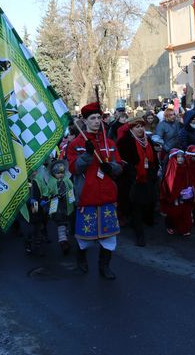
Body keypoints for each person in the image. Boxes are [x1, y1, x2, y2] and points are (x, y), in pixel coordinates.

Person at [67, 102, 123, 280]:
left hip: (107, 196)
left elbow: (119, 167)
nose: (97, 121)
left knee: (109, 238)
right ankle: (81, 259)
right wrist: (87, 155)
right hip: (87, 196)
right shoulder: (76, 143)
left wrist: (111, 167)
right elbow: (74, 169)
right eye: (93, 118)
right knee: (84, 237)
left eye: (99, 117)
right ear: (84, 120)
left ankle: (104, 266)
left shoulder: (110, 142)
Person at [117, 117, 158, 246]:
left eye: (142, 126)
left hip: (148, 179)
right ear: (131, 129)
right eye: (137, 126)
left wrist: (154, 170)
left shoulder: (148, 140)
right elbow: (121, 161)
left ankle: (146, 221)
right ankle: (139, 235)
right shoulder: (125, 142)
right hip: (133, 181)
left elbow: (154, 160)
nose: (140, 129)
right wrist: (132, 171)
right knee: (136, 207)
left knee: (148, 203)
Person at [160, 149, 194, 236]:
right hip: (174, 196)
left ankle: (183, 228)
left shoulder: (186, 168)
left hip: (184, 195)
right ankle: (170, 225)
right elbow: (169, 183)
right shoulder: (171, 170)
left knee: (185, 212)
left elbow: (189, 180)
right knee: (173, 213)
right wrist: (174, 195)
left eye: (182, 156)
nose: (181, 159)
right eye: (178, 157)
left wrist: (188, 190)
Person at [47, 160, 75, 255]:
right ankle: (63, 241)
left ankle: (65, 238)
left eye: (62, 173)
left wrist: (73, 199)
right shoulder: (52, 182)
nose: (60, 175)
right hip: (57, 206)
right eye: (58, 173)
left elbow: (71, 189)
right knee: (61, 223)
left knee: (66, 222)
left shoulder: (67, 180)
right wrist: (53, 196)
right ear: (53, 173)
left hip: (67, 205)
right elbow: (49, 192)